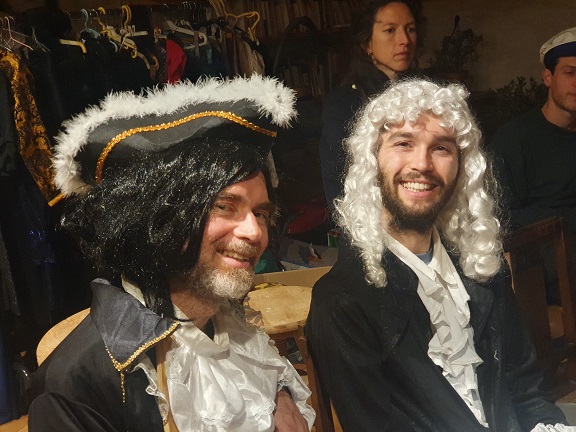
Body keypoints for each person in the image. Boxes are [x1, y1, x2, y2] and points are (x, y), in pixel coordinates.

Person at [28, 76, 315, 431]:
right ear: (159, 218)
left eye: (260, 213)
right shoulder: (76, 386)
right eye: (225, 206)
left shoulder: (226, 321)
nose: (254, 232)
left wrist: (278, 393)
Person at [306, 79, 570, 431]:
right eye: (403, 143)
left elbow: (527, 393)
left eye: (441, 148)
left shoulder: (481, 267)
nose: (422, 164)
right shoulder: (340, 302)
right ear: (372, 160)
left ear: (462, 167)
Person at [490, 27, 576, 304]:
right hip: (542, 262)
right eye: (570, 72)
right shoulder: (515, 139)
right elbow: (501, 215)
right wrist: (565, 219)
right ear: (548, 77)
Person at [319, 0, 422, 214]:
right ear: (367, 44)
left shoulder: (425, 94)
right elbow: (341, 185)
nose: (404, 40)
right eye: (390, 30)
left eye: (410, 29)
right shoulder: (344, 103)